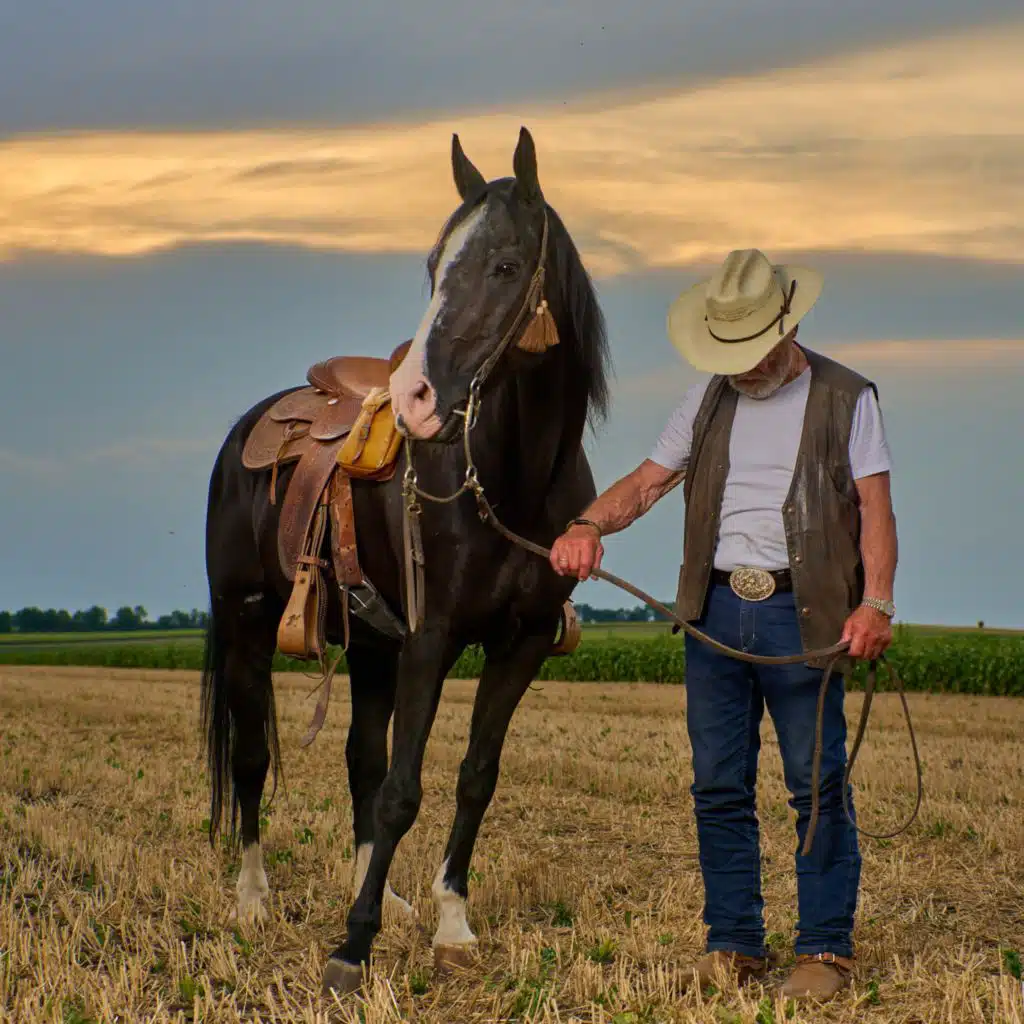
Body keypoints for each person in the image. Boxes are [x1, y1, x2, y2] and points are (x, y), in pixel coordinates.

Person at [549, 248, 897, 1002]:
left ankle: (825, 951)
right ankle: (734, 943)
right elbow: (646, 483)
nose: (739, 368)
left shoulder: (846, 397)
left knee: (817, 786)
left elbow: (875, 507)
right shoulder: (707, 399)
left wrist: (877, 603)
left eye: (749, 351)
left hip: (801, 614)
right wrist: (586, 523)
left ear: (789, 324)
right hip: (713, 611)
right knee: (717, 787)